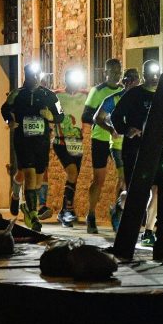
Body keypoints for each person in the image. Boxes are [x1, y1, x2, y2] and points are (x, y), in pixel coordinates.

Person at [111, 60, 163, 247]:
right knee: (136, 193)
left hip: (156, 150)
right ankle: (120, 208)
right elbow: (115, 116)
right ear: (144, 75)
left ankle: (148, 231)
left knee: (158, 190)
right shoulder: (134, 94)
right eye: (150, 74)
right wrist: (125, 129)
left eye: (157, 74)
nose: (154, 78)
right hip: (134, 150)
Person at [1, 63, 63, 231]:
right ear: (25, 76)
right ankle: (33, 215)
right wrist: (10, 121)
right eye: (30, 76)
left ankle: (22, 200)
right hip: (23, 140)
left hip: (41, 141)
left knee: (37, 179)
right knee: (29, 175)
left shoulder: (49, 95)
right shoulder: (17, 94)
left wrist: (52, 117)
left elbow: (61, 115)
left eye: (36, 76)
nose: (33, 79)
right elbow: (4, 109)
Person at [92, 67, 140, 231]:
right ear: (124, 82)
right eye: (130, 80)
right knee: (123, 177)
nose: (133, 83)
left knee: (134, 182)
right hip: (119, 146)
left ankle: (119, 207)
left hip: (137, 146)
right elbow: (97, 118)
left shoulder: (143, 99)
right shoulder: (114, 99)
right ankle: (119, 212)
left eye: (136, 79)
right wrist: (111, 130)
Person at [82, 58, 123, 233]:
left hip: (119, 140)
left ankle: (117, 211)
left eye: (118, 71)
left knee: (123, 177)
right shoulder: (97, 91)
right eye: (112, 71)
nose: (116, 74)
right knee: (99, 180)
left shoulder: (124, 92)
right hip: (100, 138)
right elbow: (86, 115)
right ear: (105, 73)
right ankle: (91, 214)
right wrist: (104, 119)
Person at [53, 68, 89, 227]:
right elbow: (51, 113)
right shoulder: (57, 95)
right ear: (66, 81)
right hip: (61, 141)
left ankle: (63, 211)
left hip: (77, 142)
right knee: (72, 172)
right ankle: (68, 210)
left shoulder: (86, 95)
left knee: (73, 177)